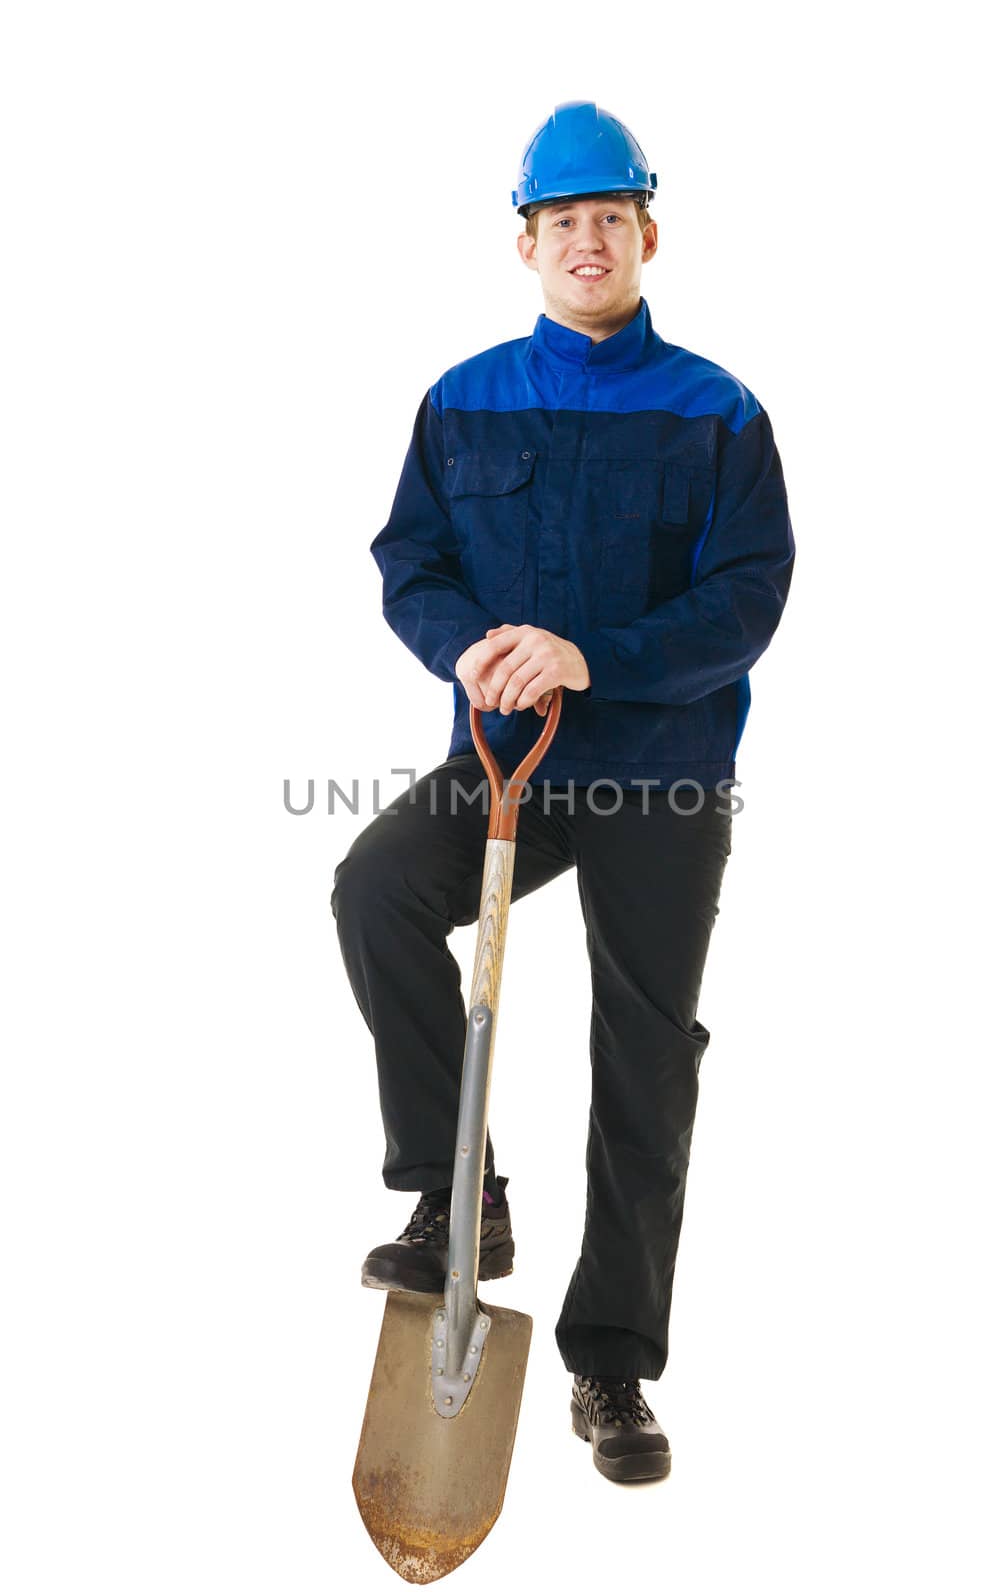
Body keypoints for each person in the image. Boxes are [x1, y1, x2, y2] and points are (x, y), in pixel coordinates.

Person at [331, 100, 794, 1483]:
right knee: (375, 891)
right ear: (524, 246)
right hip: (506, 761)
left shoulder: (719, 411)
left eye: (610, 219)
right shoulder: (463, 396)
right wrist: (463, 643)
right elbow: (410, 561)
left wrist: (595, 658)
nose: (587, 241)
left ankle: (612, 1368)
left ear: (646, 235)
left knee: (643, 1057)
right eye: (562, 223)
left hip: (662, 772)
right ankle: (455, 1198)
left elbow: (747, 599)